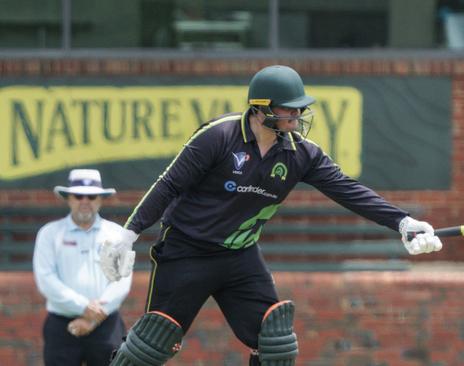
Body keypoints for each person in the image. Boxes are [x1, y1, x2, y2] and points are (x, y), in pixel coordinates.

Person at [100, 65, 443, 366]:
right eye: (289, 110)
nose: (297, 117)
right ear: (261, 108)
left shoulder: (301, 153)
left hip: (240, 257)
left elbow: (348, 190)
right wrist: (129, 234)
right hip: (186, 251)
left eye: (300, 110)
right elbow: (168, 185)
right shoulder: (218, 137)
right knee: (149, 347)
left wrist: (403, 222)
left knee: (275, 344)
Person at [33, 169, 133, 366]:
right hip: (63, 327)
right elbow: (45, 279)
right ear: (69, 198)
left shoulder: (117, 234)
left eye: (91, 196)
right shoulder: (49, 234)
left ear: (100, 199)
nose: (85, 201)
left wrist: (93, 318)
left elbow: (122, 280)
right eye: (78, 195)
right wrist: (83, 307)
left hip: (107, 325)